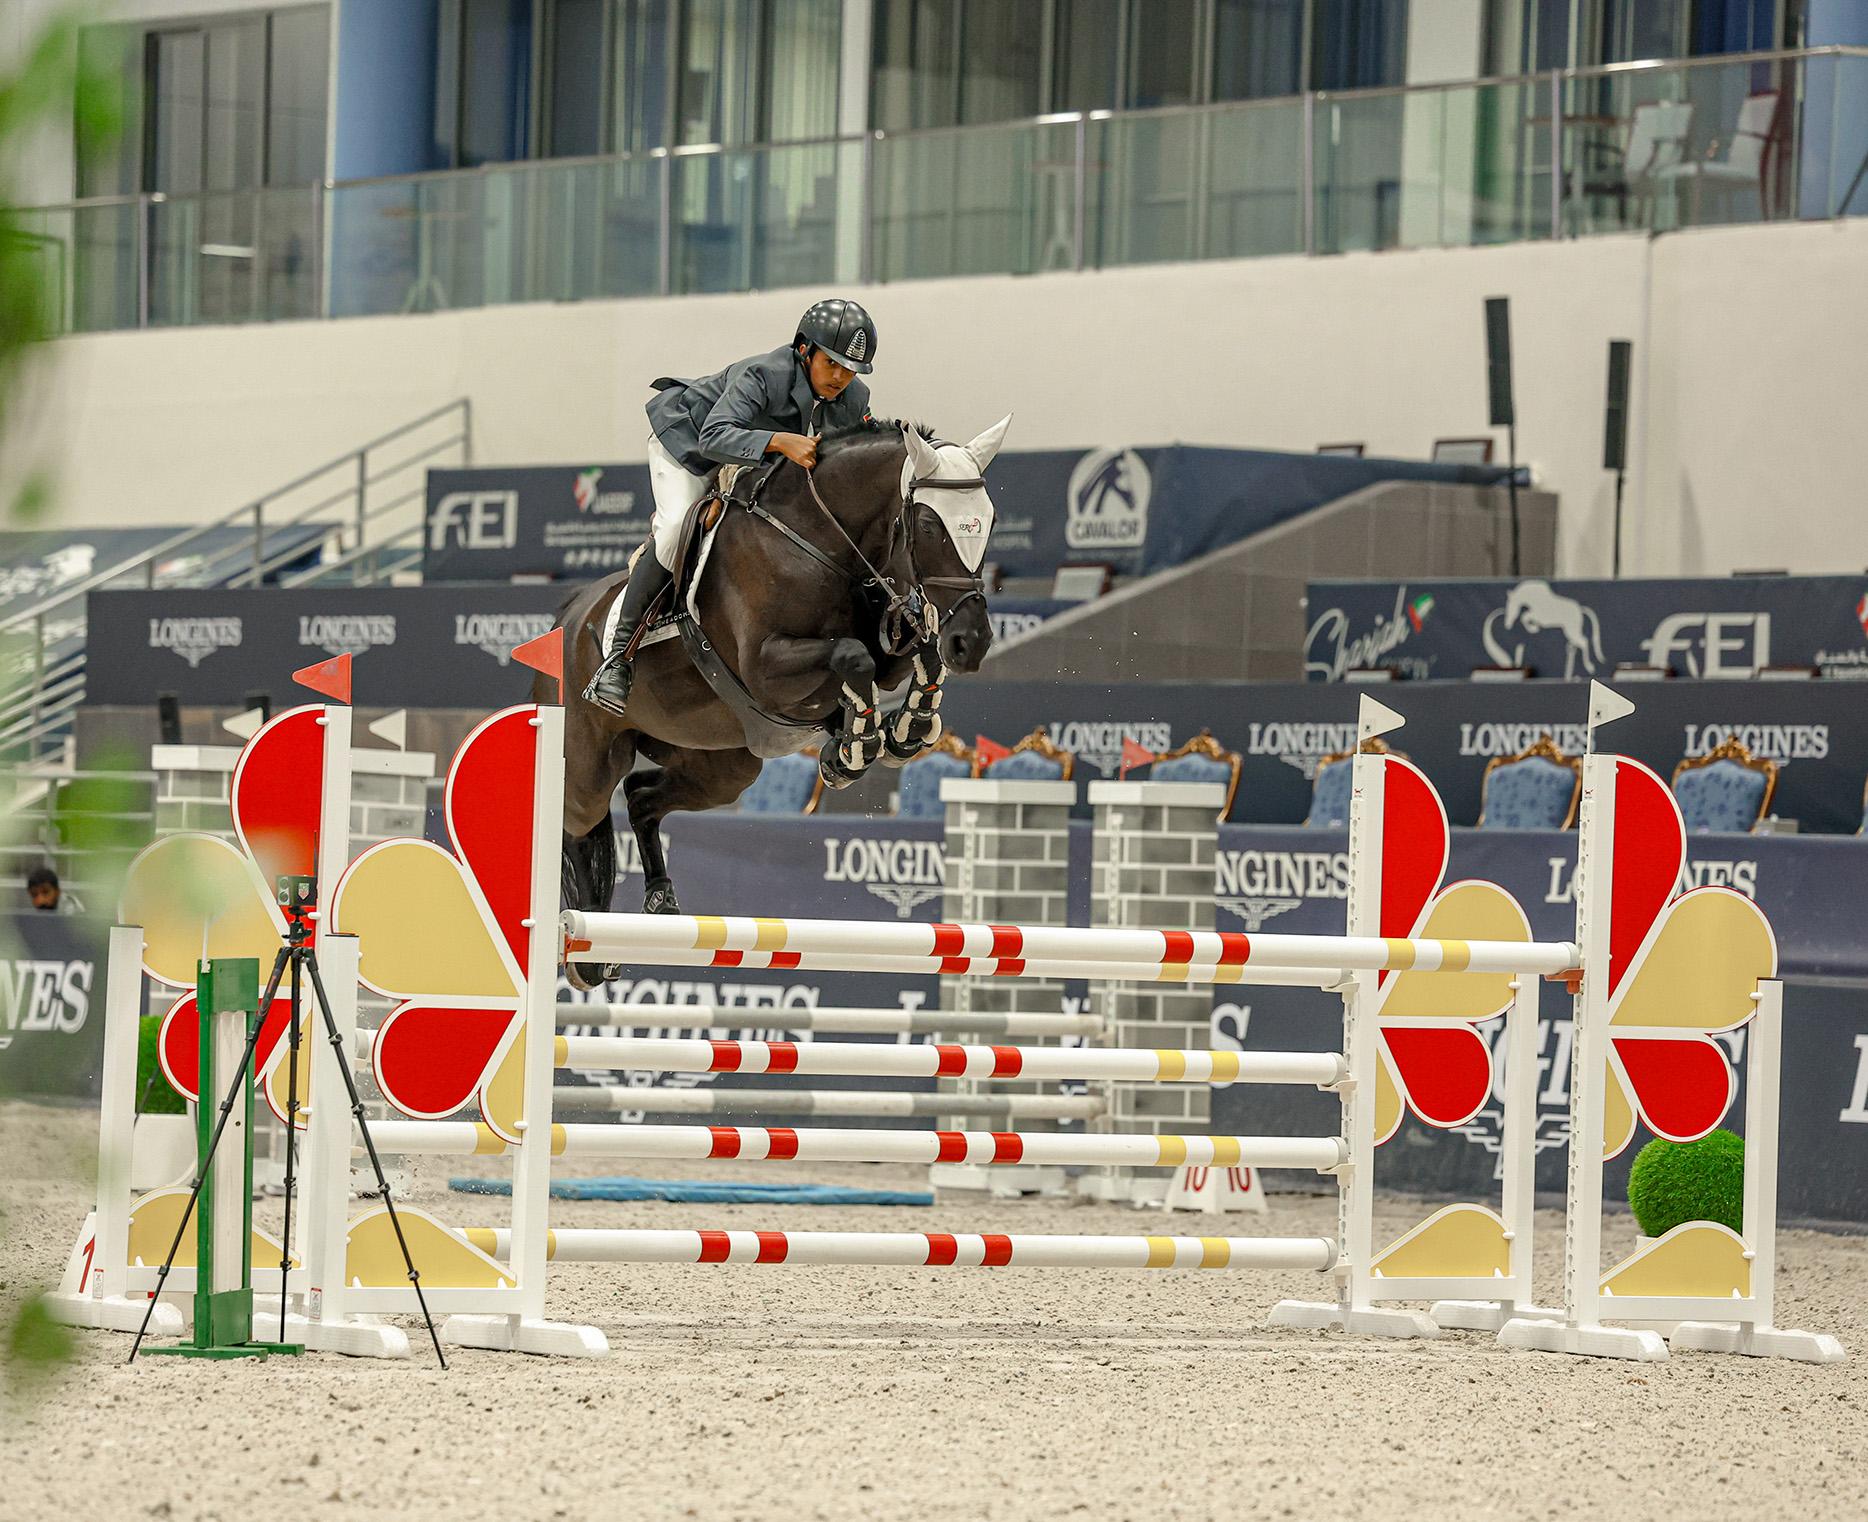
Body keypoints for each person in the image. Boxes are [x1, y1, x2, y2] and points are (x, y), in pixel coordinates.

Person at [584, 297, 879, 717]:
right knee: (673, 532)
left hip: (754, 460)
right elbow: (714, 437)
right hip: (691, 446)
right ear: (803, 350)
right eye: (831, 364)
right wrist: (779, 441)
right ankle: (617, 659)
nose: (840, 377)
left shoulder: (854, 397)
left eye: (850, 369)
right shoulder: (763, 374)